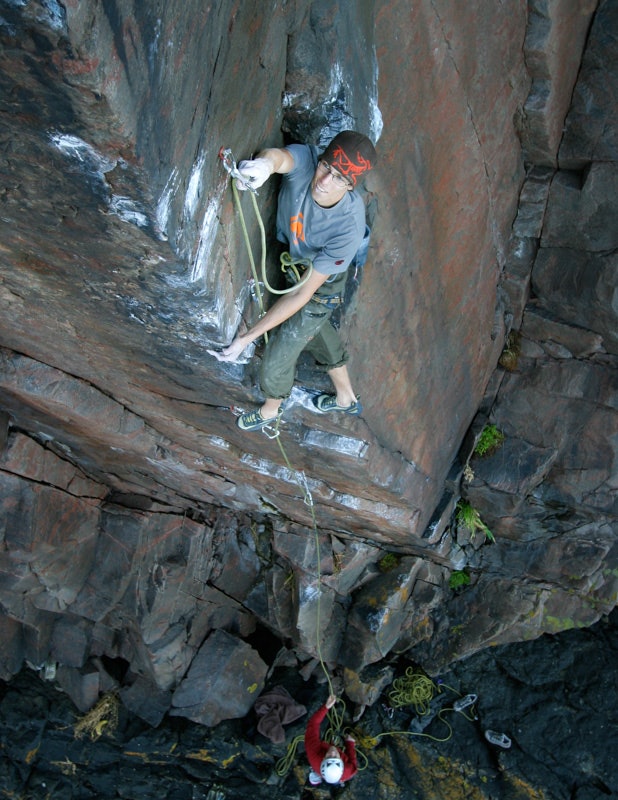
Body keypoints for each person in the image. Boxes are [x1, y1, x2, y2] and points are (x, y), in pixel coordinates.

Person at [209, 130, 377, 432]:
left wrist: (247, 338)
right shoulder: (306, 162)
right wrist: (263, 166)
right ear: (321, 159)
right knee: (317, 328)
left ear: (351, 185)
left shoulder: (348, 228)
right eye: (326, 167)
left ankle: (270, 410)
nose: (324, 181)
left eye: (339, 178)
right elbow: (280, 158)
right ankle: (346, 398)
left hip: (321, 284)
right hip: (298, 267)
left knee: (278, 355)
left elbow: (302, 296)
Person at [305, 693, 357, 786]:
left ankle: (317, 776)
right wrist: (350, 744)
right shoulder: (348, 771)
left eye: (329, 756)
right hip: (339, 774)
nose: (333, 752)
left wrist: (326, 707)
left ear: (323, 758)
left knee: (316, 772)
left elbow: (313, 724)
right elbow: (353, 762)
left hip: (319, 762)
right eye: (335, 757)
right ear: (341, 762)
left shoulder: (314, 755)